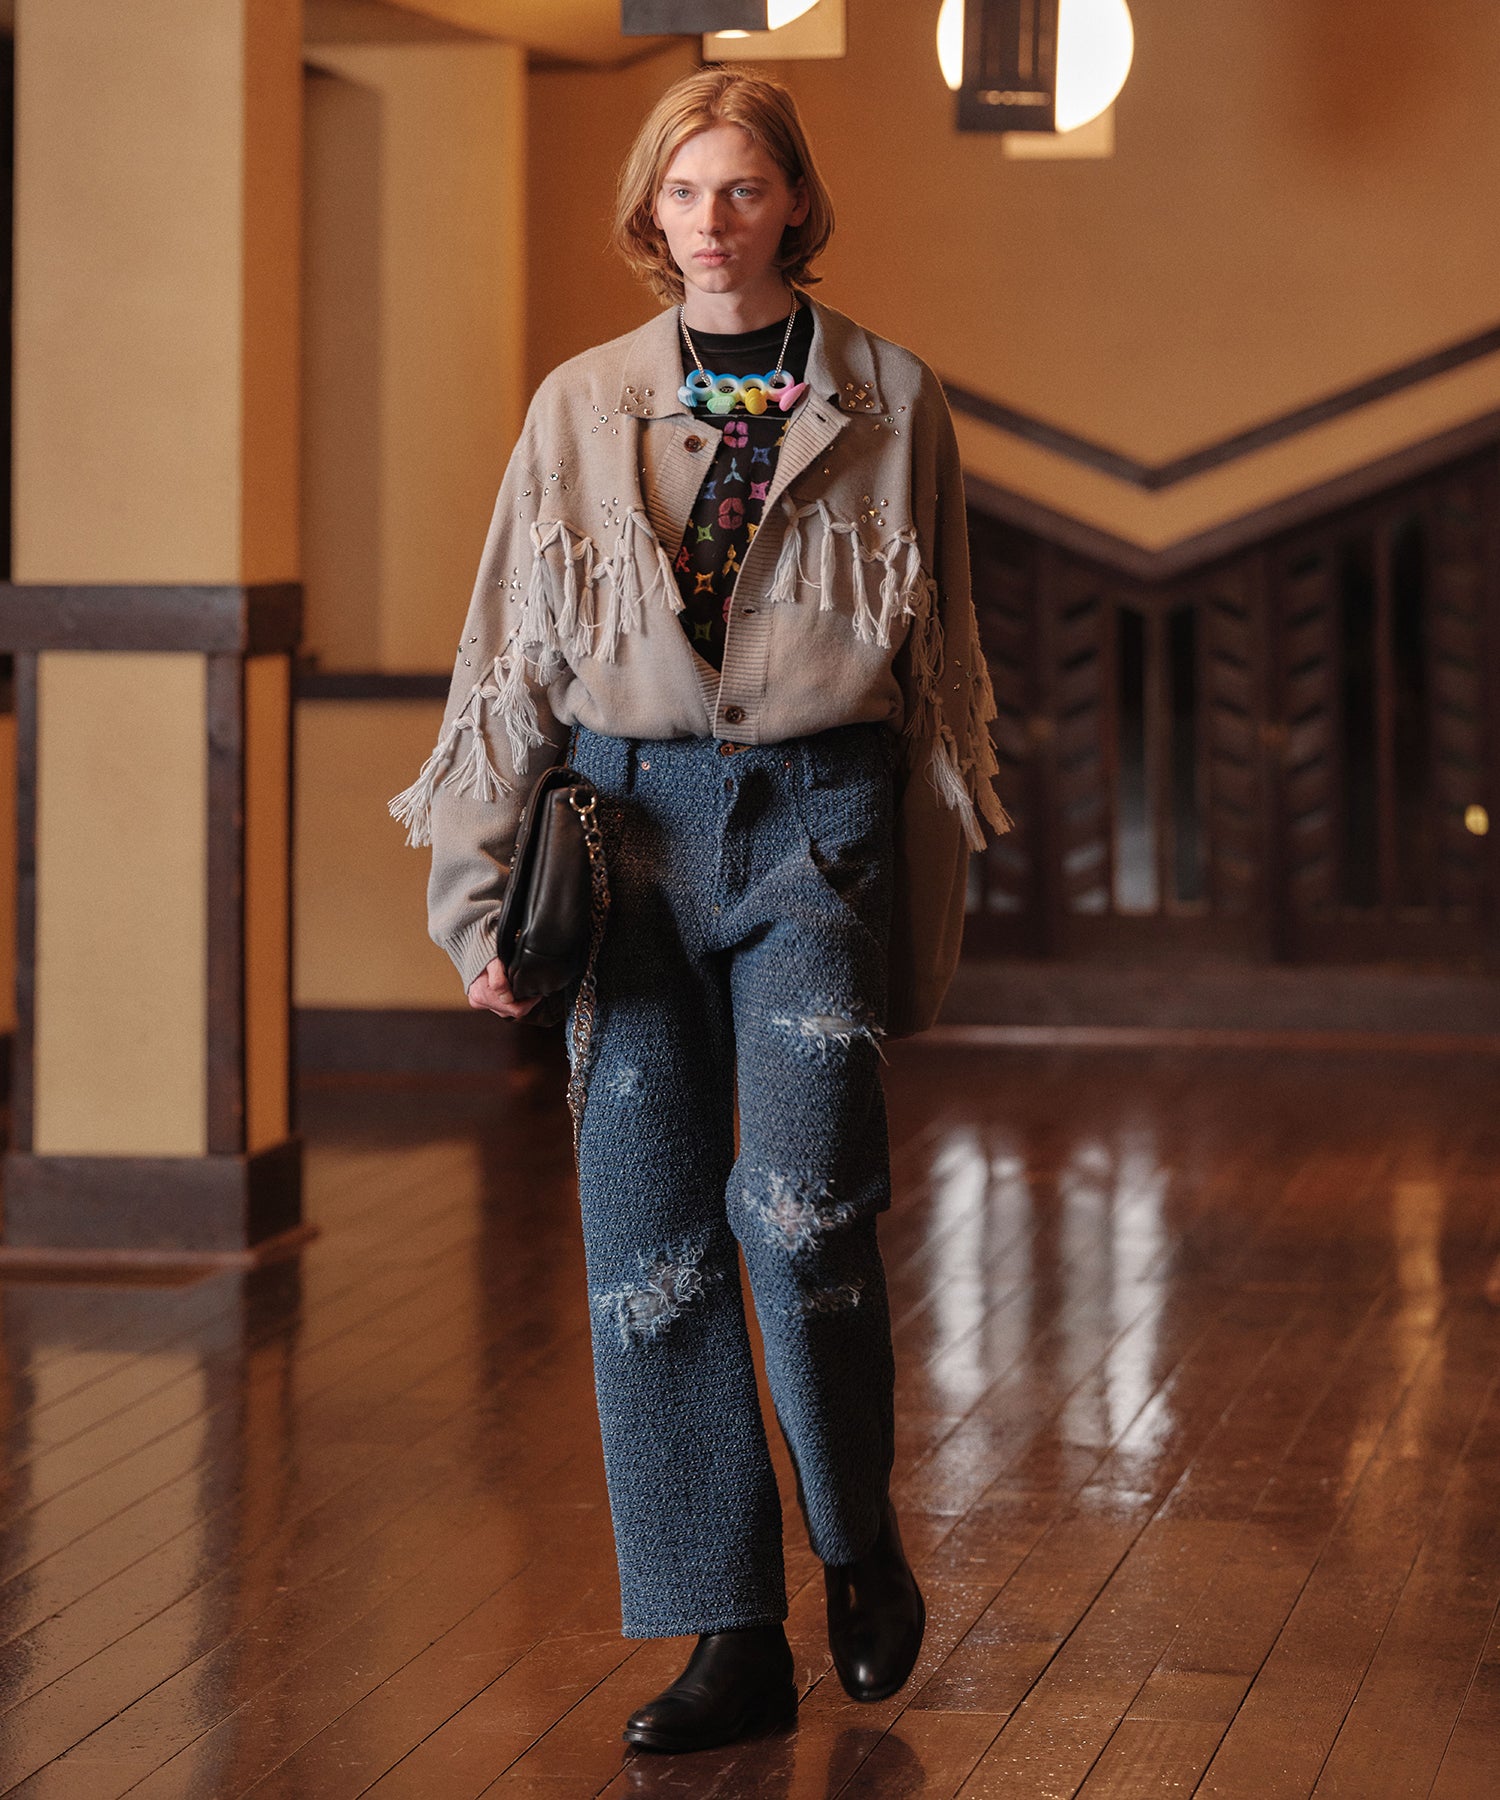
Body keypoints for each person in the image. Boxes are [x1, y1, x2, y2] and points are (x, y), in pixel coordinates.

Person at [388, 66, 1012, 1754]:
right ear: (649, 216)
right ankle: (729, 1634)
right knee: (650, 1253)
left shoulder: (893, 398)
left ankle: (855, 1534)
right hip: (626, 835)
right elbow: (507, 657)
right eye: (683, 193)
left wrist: (920, 938)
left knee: (805, 1210)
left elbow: (944, 676)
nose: (712, 222)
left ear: (794, 201)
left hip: (822, 830)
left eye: (741, 188)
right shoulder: (582, 404)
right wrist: (475, 908)